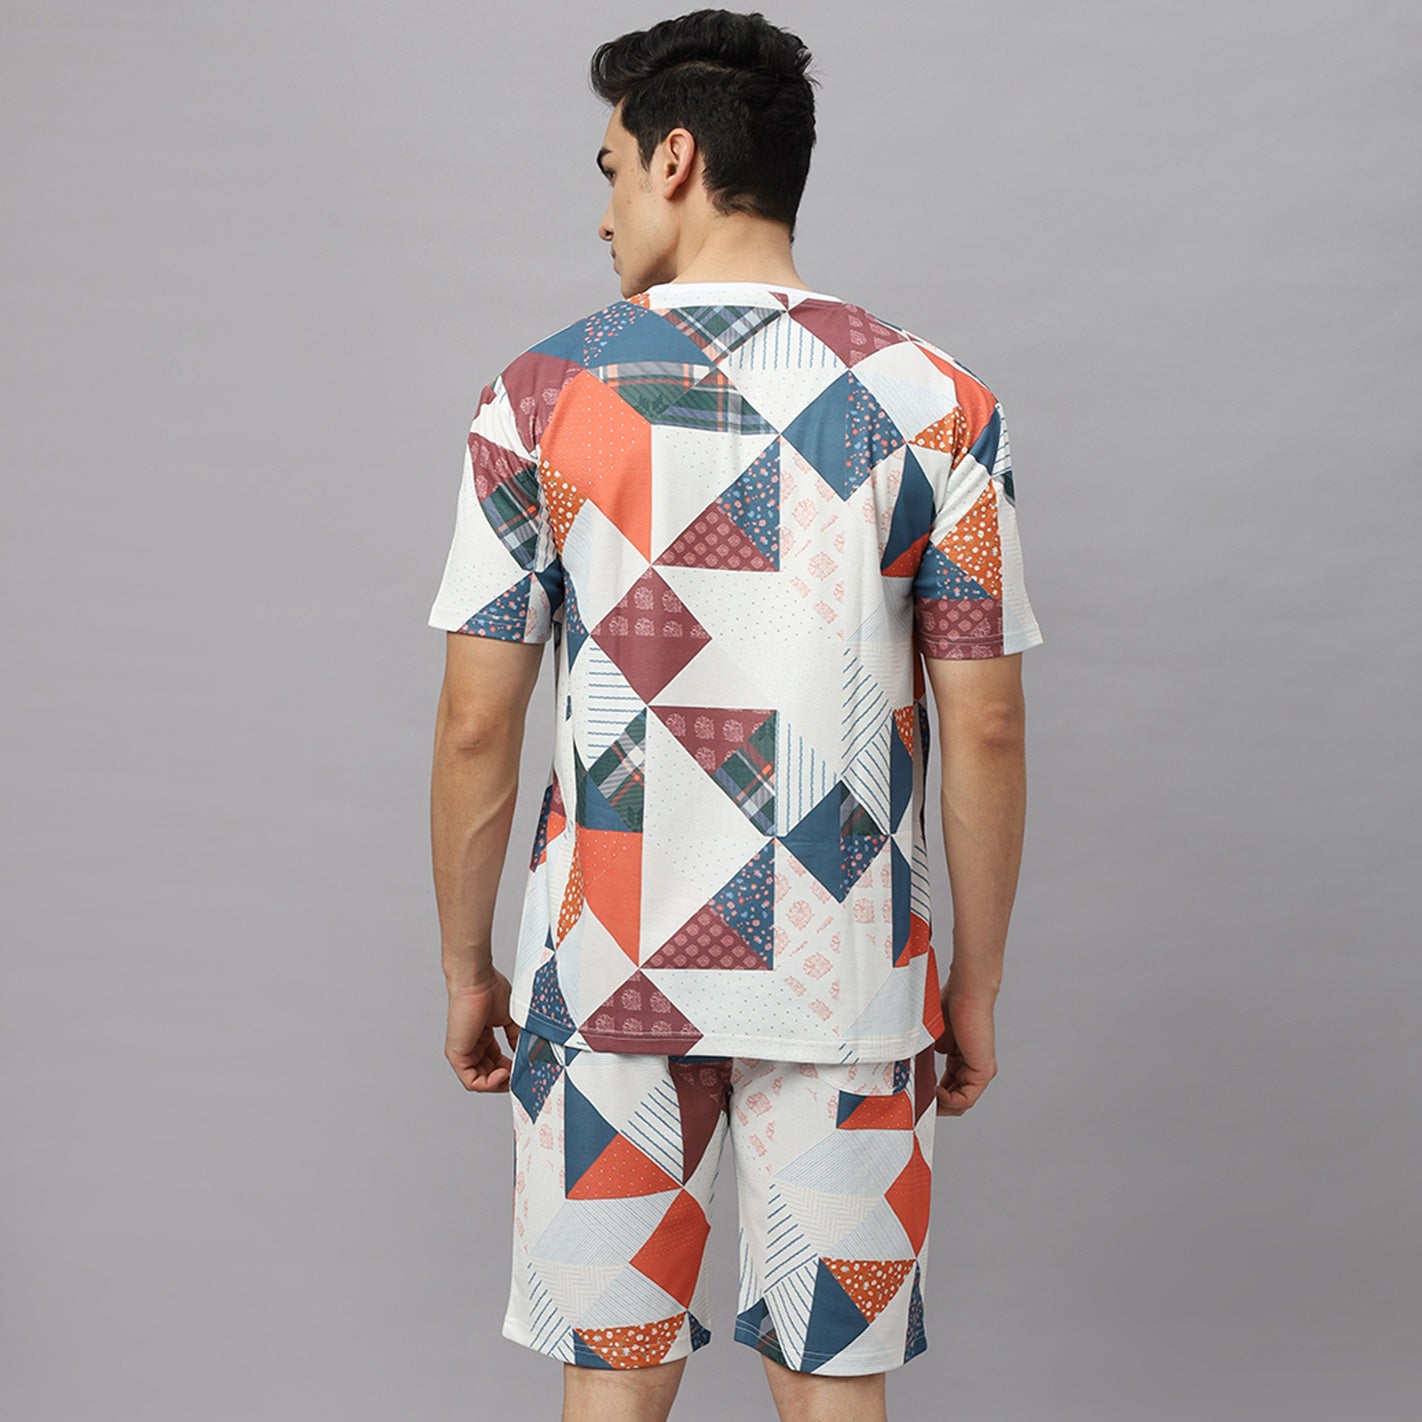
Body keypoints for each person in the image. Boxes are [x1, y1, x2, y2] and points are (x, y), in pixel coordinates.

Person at [426, 10, 1044, 1420]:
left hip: (604, 972)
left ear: (676, 160)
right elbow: (987, 729)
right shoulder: (941, 406)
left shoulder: (537, 400)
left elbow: (474, 726)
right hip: (850, 979)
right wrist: (974, 985)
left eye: (608, 171)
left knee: (614, 1381)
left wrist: (470, 964)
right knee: (833, 1384)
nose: (601, 215)